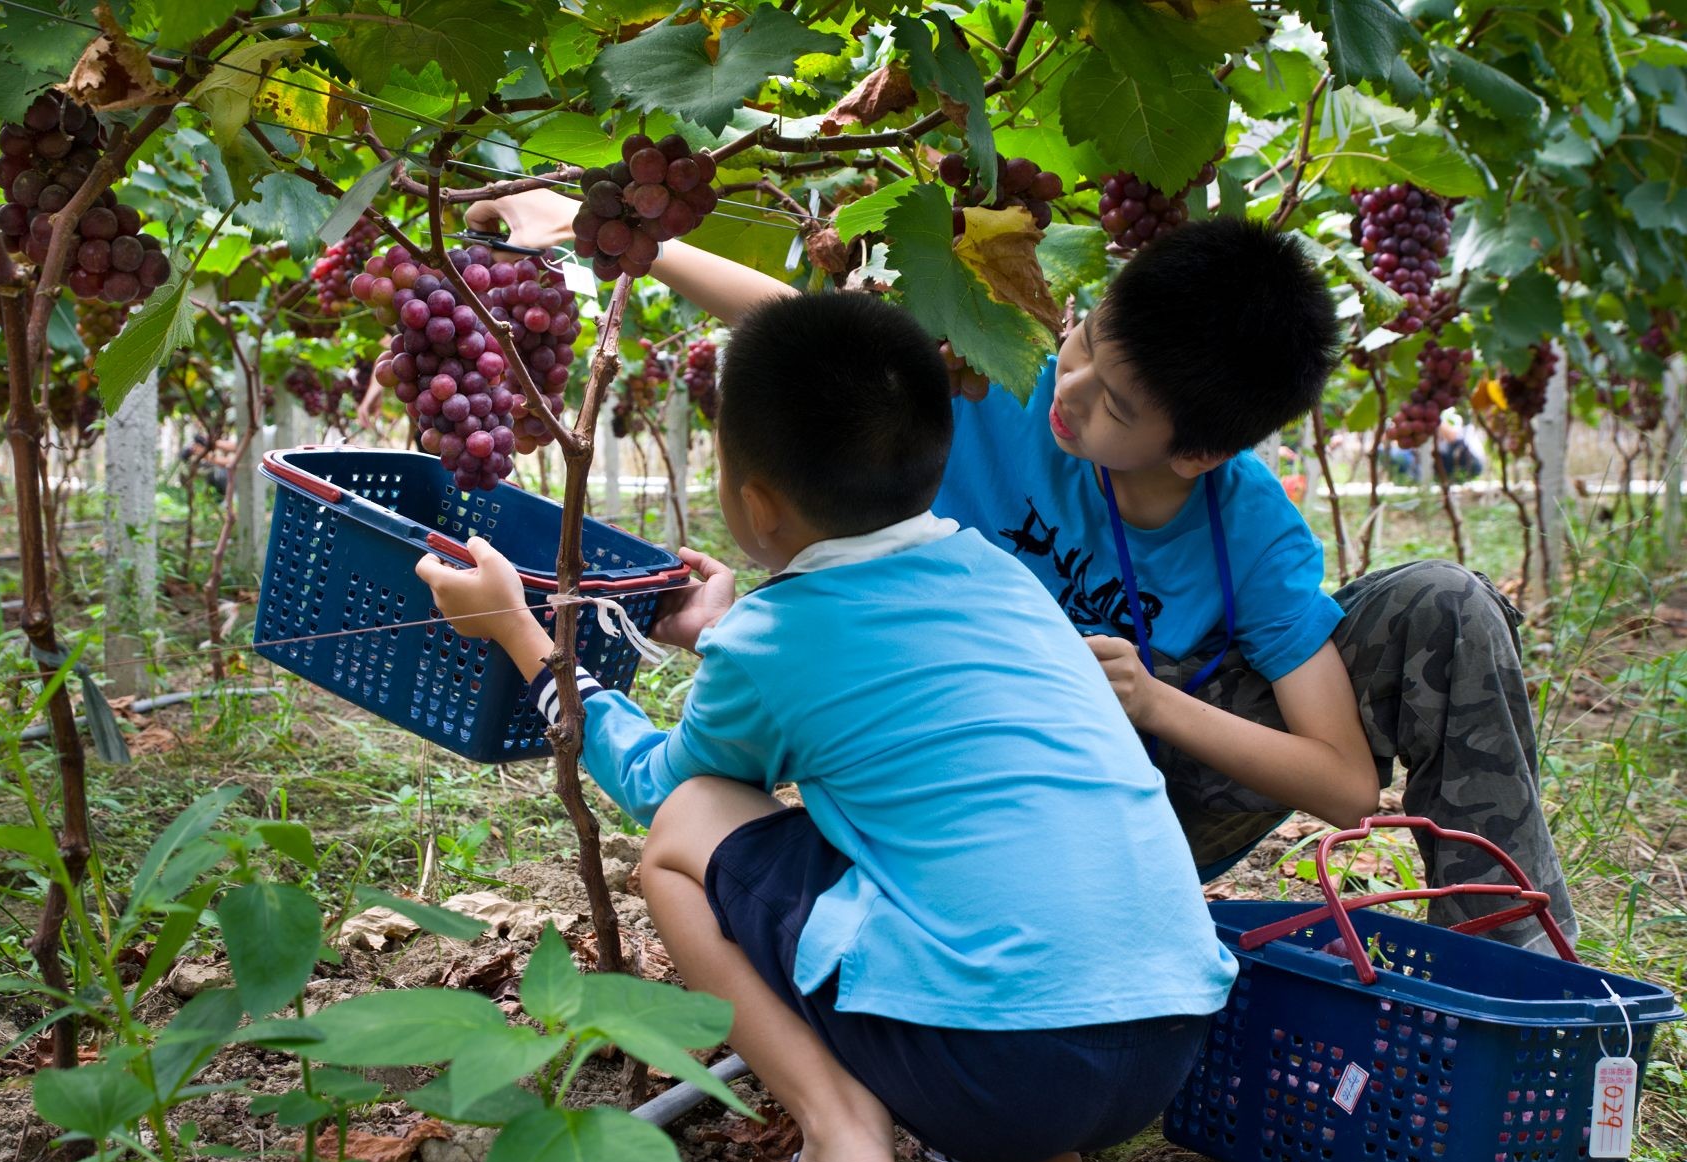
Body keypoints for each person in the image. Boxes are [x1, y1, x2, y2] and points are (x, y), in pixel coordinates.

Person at [467, 191, 1576, 952]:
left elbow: (1340, 784)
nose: (1071, 391)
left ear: (1198, 452)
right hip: (972, 785)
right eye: (1084, 340)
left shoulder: (1252, 531)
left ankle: (1513, 973)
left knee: (1442, 602)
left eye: (1114, 404)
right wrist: (619, 240)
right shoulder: (1005, 385)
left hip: (1150, 802)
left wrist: (1153, 702)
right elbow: (813, 335)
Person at [416, 293, 1238, 1162]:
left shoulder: (775, 635)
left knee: (686, 829)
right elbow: (872, 680)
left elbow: (659, 786)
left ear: (754, 501)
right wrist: (725, 632)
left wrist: (522, 637)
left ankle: (842, 1142)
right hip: (1163, 1044)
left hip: (996, 1065)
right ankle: (1031, 1161)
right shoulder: (1006, 576)